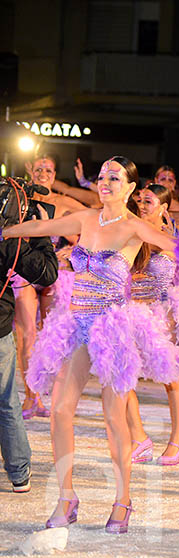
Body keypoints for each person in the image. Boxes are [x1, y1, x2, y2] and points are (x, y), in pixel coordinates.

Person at [12, 156, 179, 533]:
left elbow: (172, 244)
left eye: (115, 177)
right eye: (103, 176)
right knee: (60, 409)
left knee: (114, 417)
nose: (105, 182)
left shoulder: (133, 226)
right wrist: (3, 232)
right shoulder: (85, 218)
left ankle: (123, 499)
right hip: (76, 321)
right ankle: (66, 498)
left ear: (128, 188)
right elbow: (41, 225)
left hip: (111, 326)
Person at [124, 184, 179, 466]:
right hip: (129, 311)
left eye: (149, 201)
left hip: (160, 312)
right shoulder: (129, 230)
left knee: (171, 378)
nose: (143, 205)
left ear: (163, 208)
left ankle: (177, 441)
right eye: (140, 200)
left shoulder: (167, 235)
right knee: (120, 375)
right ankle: (139, 438)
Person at [0, 181, 60, 493]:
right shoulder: (9, 241)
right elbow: (48, 273)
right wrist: (40, 232)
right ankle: (19, 472)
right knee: (6, 401)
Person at [16, 155, 85, 420]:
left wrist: (72, 249)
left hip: (53, 275)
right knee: (27, 335)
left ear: (55, 174)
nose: (43, 173)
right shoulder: (19, 198)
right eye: (39, 169)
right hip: (22, 273)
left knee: (51, 336)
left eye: (49, 169)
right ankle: (30, 396)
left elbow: (90, 227)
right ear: (29, 170)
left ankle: (44, 394)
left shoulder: (64, 203)